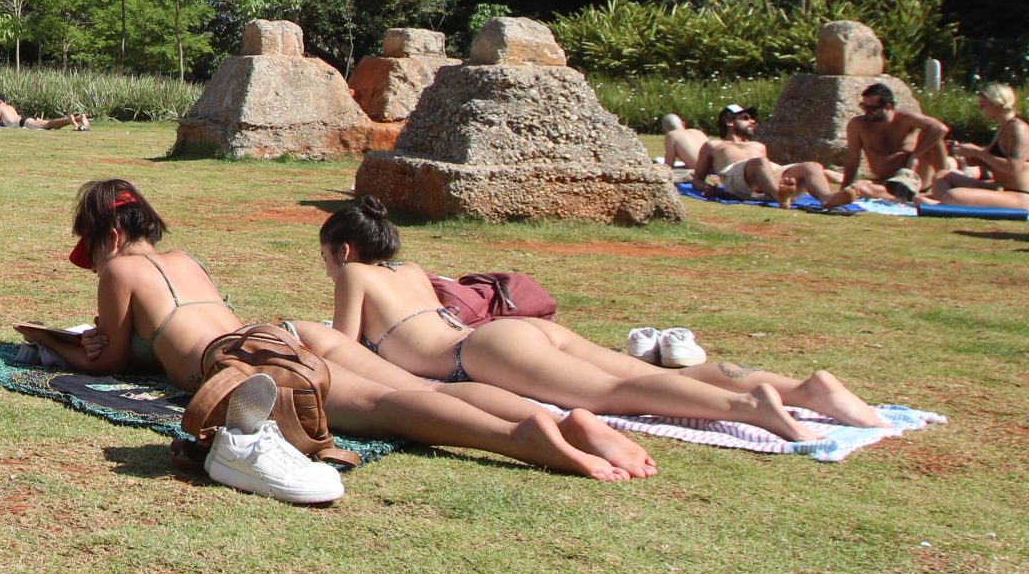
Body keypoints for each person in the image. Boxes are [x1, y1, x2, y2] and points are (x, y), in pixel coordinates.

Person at [68, 178, 656, 483]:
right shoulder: (185, 259)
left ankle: (524, 437)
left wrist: (70, 344)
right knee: (422, 388)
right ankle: (565, 422)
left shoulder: (119, 268)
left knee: (387, 403)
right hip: (281, 332)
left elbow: (113, 361)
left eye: (89, 249)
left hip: (241, 358)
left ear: (109, 236)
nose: (92, 261)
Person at [320, 196, 883, 438]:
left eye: (325, 258)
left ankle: (745, 406)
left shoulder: (354, 275)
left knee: (614, 393)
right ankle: (804, 389)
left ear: (343, 251)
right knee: (645, 375)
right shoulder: (410, 269)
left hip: (479, 354)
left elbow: (342, 347)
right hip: (511, 334)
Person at [840, 83, 951, 202]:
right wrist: (844, 188)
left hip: (914, 177)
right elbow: (852, 160)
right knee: (860, 188)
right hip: (887, 180)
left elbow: (940, 128)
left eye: (872, 109)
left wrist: (914, 156)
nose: (867, 112)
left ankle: (943, 186)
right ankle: (909, 197)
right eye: (864, 107)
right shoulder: (858, 125)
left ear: (888, 106)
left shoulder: (905, 119)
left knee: (934, 137)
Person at [929, 83, 1029, 210]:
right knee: (941, 176)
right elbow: (999, 165)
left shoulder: (1018, 129)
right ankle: (944, 204)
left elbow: (1013, 168)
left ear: (996, 103)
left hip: (1021, 194)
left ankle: (942, 204)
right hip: (1002, 188)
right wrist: (979, 160)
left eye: (982, 104)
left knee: (953, 195)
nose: (979, 108)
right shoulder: (1003, 127)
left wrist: (979, 153)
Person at [0, 93, 89, 131]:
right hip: (26, 119)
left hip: (24, 122)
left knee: (48, 124)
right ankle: (77, 119)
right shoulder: (10, 107)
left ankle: (75, 118)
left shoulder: (0, 107)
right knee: (51, 125)